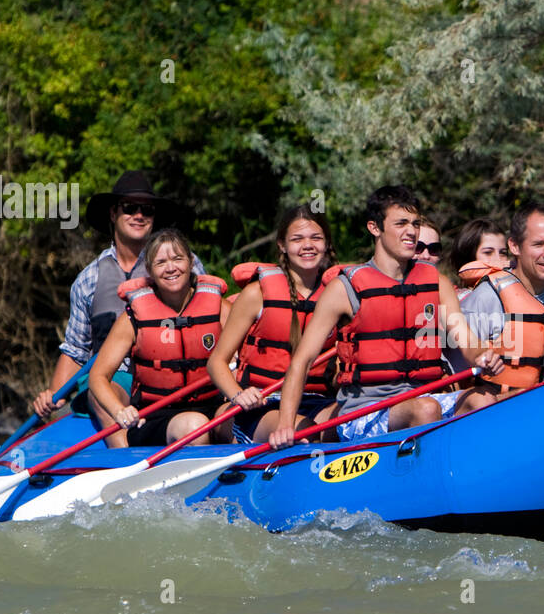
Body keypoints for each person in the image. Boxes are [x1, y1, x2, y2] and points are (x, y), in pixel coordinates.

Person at [268, 185, 503, 448]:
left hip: (424, 400)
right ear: (375, 228)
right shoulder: (344, 289)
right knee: (424, 410)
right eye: (401, 223)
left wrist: (483, 355)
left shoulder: (436, 282)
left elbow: (467, 340)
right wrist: (285, 425)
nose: (411, 231)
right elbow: (302, 360)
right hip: (363, 413)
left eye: (415, 223)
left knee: (483, 399)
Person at [31, 171, 204, 426]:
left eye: (147, 209)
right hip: (115, 377)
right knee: (101, 391)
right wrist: (54, 396)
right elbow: (76, 350)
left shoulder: (182, 265)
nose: (139, 215)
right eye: (130, 208)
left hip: (170, 373)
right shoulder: (89, 279)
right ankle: (127, 451)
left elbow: (208, 319)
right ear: (113, 214)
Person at [206, 206, 342, 442]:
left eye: (316, 238)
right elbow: (217, 362)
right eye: (297, 239)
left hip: (317, 400)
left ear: (327, 243)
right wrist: (238, 395)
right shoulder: (256, 294)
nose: (307, 245)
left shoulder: (337, 292)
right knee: (306, 431)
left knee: (347, 425)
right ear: (282, 245)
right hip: (263, 402)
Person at [90, 228, 230, 448]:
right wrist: (120, 411)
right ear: (150, 270)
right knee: (196, 426)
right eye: (161, 262)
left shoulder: (219, 307)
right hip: (156, 416)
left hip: (213, 405)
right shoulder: (133, 318)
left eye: (177, 259)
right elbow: (98, 376)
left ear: (191, 262)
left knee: (240, 419)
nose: (171, 268)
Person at [450, 202, 544, 394]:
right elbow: (457, 380)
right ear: (514, 246)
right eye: (538, 244)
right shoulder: (488, 296)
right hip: (500, 413)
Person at [449, 218, 508, 300]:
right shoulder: (454, 300)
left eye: (503, 253)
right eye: (488, 252)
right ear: (468, 256)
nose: (498, 259)